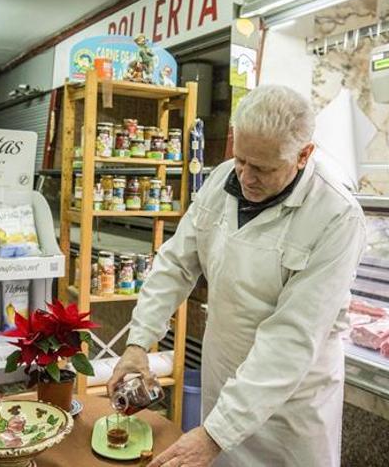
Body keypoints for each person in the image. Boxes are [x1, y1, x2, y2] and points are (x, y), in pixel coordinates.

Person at [108, 85, 366, 467]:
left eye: (262, 167)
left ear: (304, 154)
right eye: (240, 159)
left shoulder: (336, 216)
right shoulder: (221, 180)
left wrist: (216, 434)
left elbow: (292, 338)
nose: (245, 176)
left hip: (290, 405)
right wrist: (138, 343)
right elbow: (177, 263)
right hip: (223, 374)